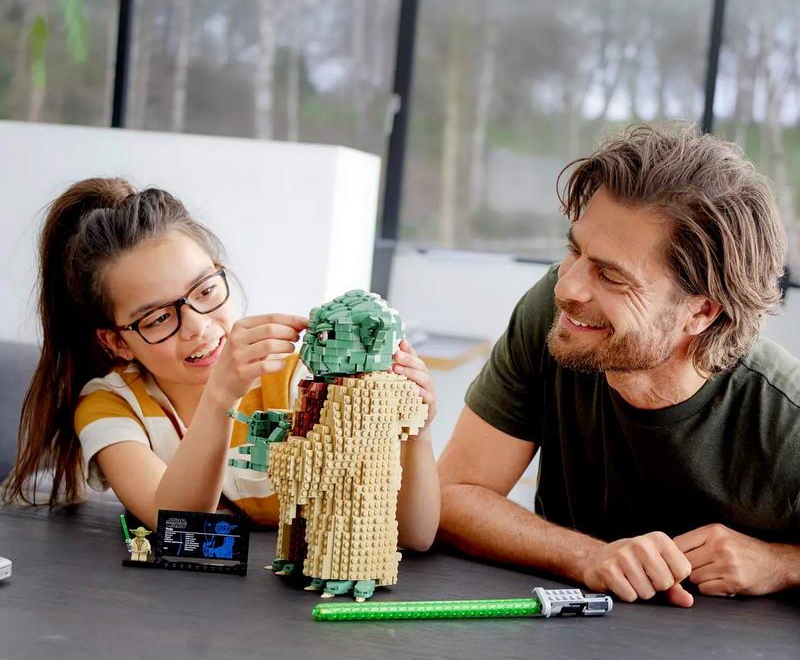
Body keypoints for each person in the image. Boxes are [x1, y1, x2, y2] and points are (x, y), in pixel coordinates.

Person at [438, 123, 800, 607]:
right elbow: (454, 493)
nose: (567, 287)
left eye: (610, 276)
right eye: (575, 250)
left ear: (702, 311)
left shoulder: (786, 419)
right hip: (563, 637)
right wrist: (589, 557)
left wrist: (780, 563)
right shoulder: (555, 316)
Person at [3, 178, 440, 550]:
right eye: (158, 318)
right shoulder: (110, 406)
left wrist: (415, 431)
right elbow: (178, 526)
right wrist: (220, 398)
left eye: (206, 291)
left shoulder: (300, 379)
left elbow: (413, 536)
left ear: (219, 271)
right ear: (117, 342)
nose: (197, 326)